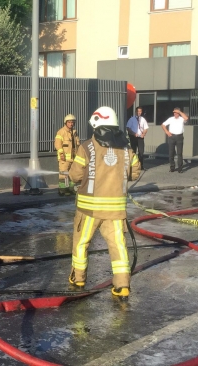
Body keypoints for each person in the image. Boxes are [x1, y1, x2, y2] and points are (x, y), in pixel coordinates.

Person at [68, 106, 141, 300]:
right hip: (116, 211)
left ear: (96, 123)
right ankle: (122, 285)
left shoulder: (86, 147)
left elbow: (75, 175)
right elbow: (134, 173)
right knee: (118, 245)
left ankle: (79, 278)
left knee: (81, 243)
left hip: (89, 209)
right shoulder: (127, 149)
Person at [54, 114, 80, 196]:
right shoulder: (61, 132)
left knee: (72, 174)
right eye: (69, 122)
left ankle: (71, 188)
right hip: (64, 158)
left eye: (72, 122)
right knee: (63, 174)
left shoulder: (74, 133)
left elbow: (77, 145)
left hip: (73, 158)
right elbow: (57, 144)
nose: (71, 124)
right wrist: (61, 153)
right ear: (66, 123)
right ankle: (63, 190)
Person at [161, 107, 188, 173]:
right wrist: (167, 132)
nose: (175, 114)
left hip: (179, 137)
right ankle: (172, 167)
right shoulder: (171, 119)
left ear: (178, 113)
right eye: (174, 112)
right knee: (171, 153)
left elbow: (186, 118)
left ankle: (180, 168)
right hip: (172, 136)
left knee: (179, 153)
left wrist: (180, 112)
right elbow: (163, 125)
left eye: (176, 112)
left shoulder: (182, 119)